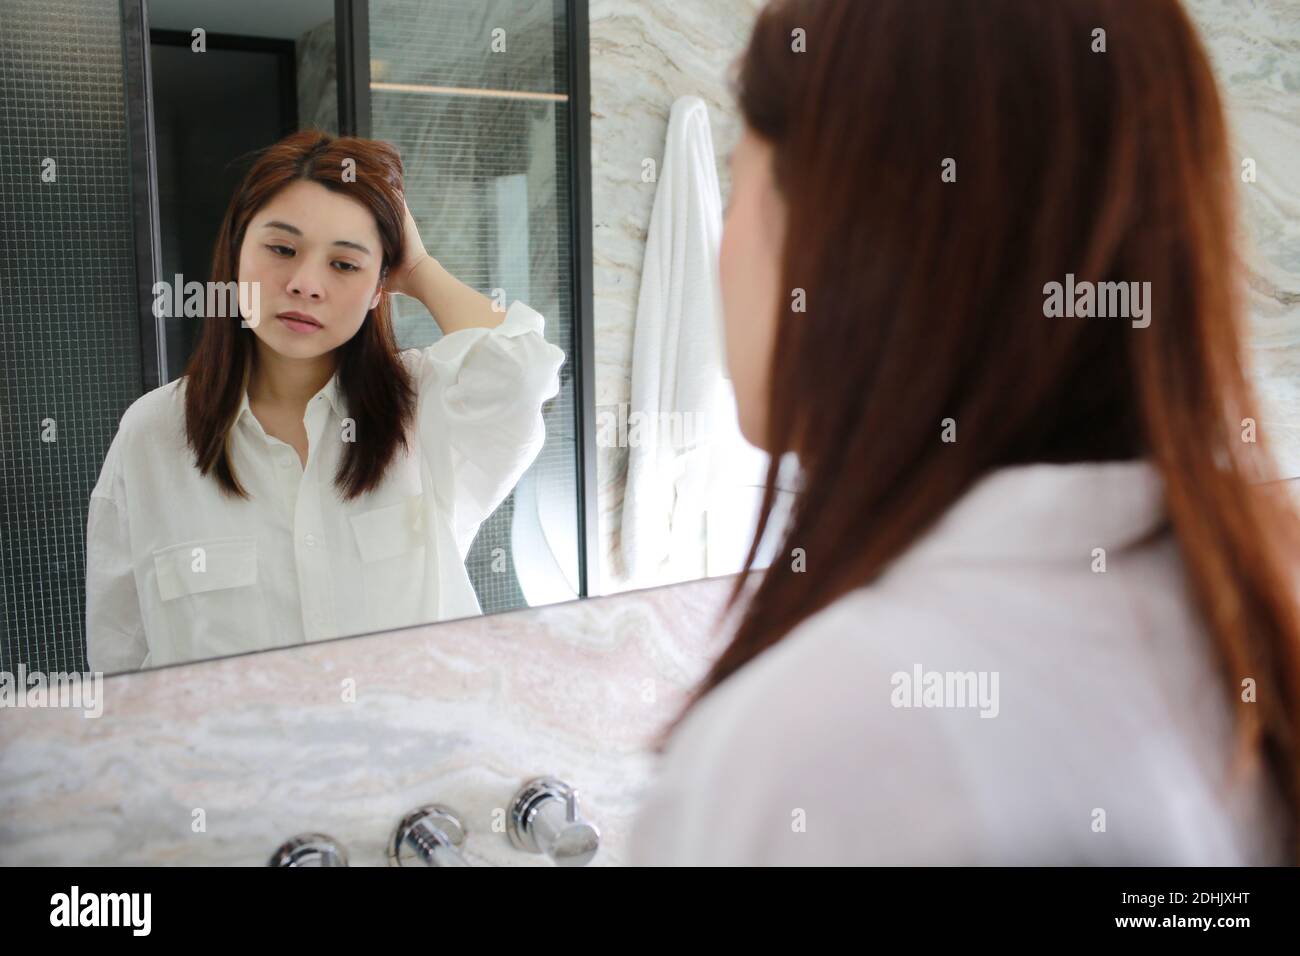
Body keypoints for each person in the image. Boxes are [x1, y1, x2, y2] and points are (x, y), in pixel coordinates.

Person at [629, 0, 1300, 865]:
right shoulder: (1245, 610)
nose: (721, 254)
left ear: (849, 241)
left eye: (740, 177)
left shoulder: (821, 750)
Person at [86, 130, 565, 671]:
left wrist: (420, 268)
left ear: (380, 285)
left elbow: (522, 372)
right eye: (282, 249)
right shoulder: (152, 433)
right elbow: (119, 656)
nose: (306, 283)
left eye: (345, 264)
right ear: (235, 250)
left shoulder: (425, 405)